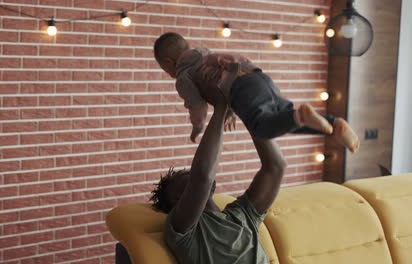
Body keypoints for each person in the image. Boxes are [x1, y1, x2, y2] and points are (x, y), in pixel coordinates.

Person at [153, 32, 360, 153]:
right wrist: (231, 111)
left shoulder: (183, 77)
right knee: (284, 121)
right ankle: (334, 125)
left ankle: (301, 115)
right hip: (258, 77)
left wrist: (197, 128)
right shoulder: (204, 54)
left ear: (169, 63)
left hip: (241, 90)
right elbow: (223, 75)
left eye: (165, 69)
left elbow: (196, 105)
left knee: (261, 128)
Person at [150, 90, 286, 264]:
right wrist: (221, 107)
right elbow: (202, 178)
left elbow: (276, 166)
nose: (191, 174)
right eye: (186, 177)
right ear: (178, 199)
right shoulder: (180, 228)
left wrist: (246, 108)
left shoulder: (243, 214)